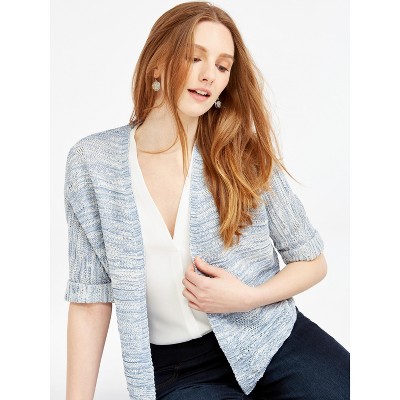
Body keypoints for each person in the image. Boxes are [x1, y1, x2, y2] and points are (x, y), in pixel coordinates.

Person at [64, 2, 350, 399]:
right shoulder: (92, 163)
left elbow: (312, 261)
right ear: (157, 65)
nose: (208, 75)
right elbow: (90, 299)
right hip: (180, 371)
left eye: (222, 66)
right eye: (194, 57)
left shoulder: (243, 154)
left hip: (273, 338)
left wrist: (249, 297)